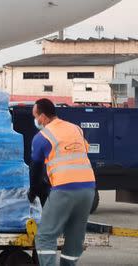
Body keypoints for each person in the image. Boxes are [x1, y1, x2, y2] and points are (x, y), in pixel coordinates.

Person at [28, 98, 95, 266]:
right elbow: (81, 152)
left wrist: (34, 190)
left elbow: (35, 168)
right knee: (74, 235)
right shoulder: (76, 129)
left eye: (35, 116)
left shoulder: (42, 137)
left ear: (42, 117)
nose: (35, 120)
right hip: (88, 188)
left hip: (65, 188)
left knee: (45, 236)